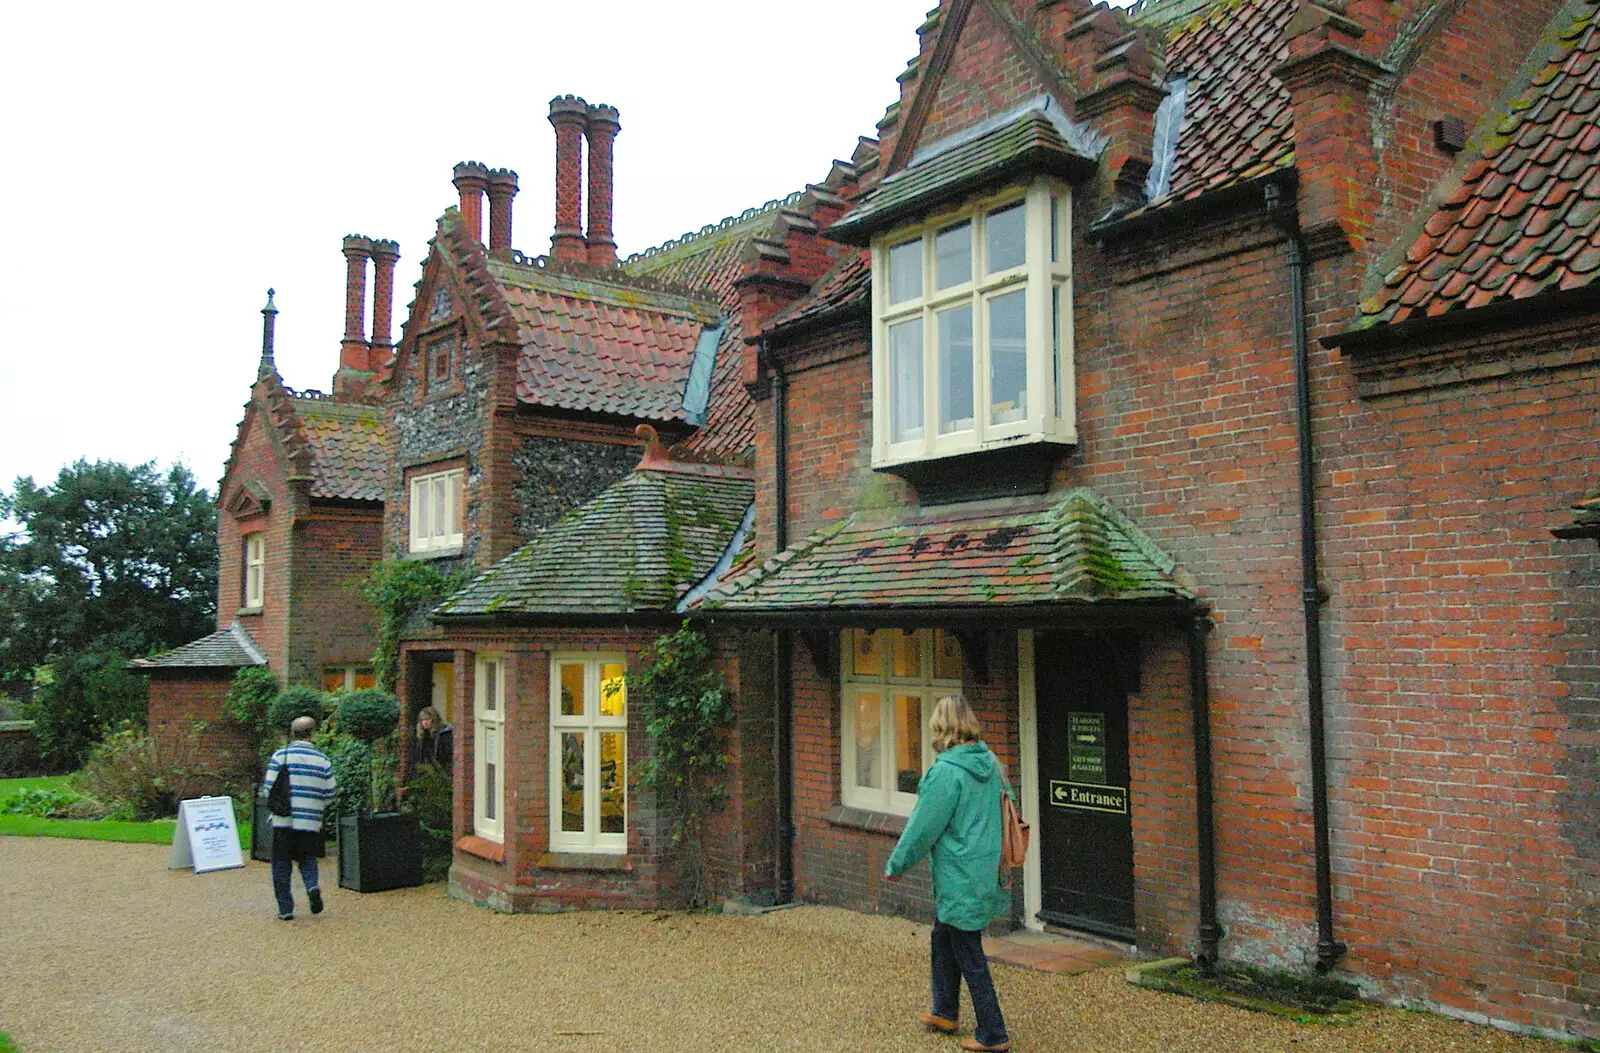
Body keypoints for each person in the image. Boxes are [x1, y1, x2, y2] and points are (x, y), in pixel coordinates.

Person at [884, 695, 1012, 1052]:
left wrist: (897, 865)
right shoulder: (993, 763)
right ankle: (945, 1012)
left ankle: (994, 1034)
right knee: (944, 936)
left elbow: (923, 827)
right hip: (987, 868)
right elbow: (1010, 813)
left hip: (960, 872)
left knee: (968, 950)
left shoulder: (946, 772)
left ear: (942, 729)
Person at [261, 715, 336, 921]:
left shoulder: (280, 756)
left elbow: (268, 789)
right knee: (307, 858)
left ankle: (286, 909)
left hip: (283, 819)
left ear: (292, 733)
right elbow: (330, 793)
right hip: (310, 820)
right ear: (312, 733)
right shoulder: (322, 760)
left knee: (281, 863)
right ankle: (312, 887)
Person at [414, 706, 454, 772]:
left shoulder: (444, 734)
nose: (425, 722)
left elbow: (449, 756)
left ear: (434, 719)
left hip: (444, 772)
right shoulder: (424, 736)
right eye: (422, 720)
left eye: (427, 719)